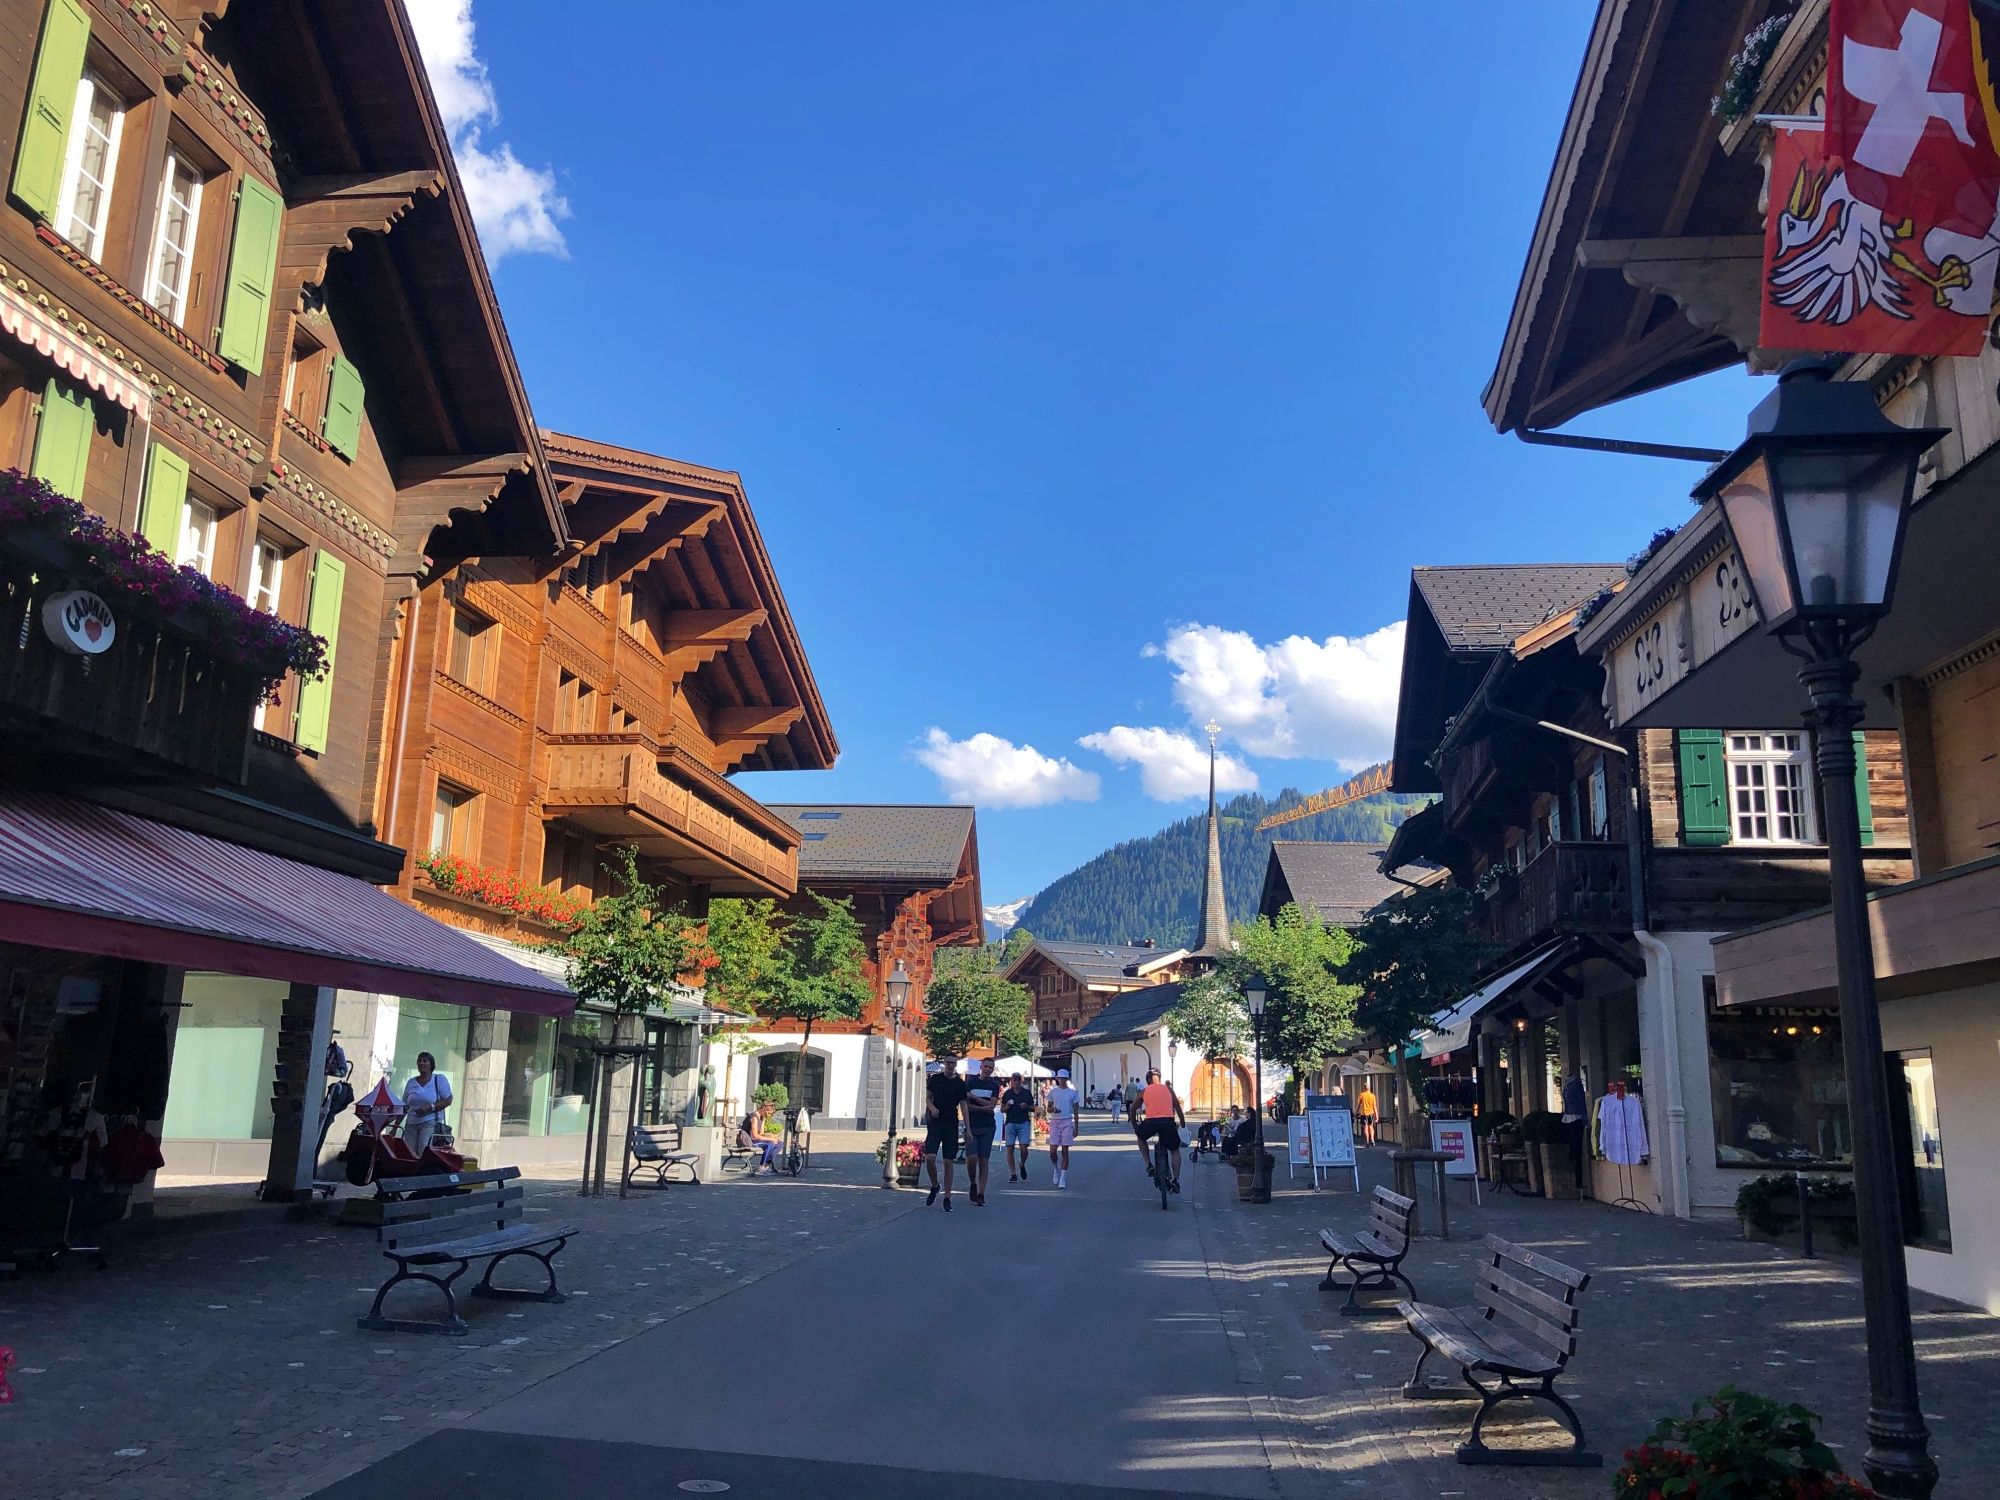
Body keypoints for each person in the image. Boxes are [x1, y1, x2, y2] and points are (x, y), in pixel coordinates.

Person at [923, 1055, 970, 1211]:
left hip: (951, 1124)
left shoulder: (960, 1084)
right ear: (944, 1064)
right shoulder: (936, 1079)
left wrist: (968, 1128)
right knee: (929, 1158)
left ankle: (947, 1197)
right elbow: (928, 1098)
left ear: (956, 1065)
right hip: (935, 1123)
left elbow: (964, 1106)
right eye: (948, 1063)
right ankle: (935, 1186)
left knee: (948, 1161)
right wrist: (931, 1107)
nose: (950, 1065)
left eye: (953, 1063)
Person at [1133, 1069, 1186, 1192]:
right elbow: (1177, 1106)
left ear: (1148, 1080)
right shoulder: (1168, 1089)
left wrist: (1135, 1124)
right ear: (1160, 1078)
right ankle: (1176, 1180)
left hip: (1151, 1123)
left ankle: (1149, 1165)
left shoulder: (1144, 1091)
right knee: (1174, 1150)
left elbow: (1133, 1108)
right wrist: (1182, 1123)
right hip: (1168, 1122)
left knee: (1140, 1138)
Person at [963, 1058, 1001, 1206]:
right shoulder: (971, 1083)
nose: (987, 1069)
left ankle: (981, 1193)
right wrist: (981, 1107)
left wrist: (974, 1097)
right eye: (985, 1066)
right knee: (972, 1158)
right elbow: (966, 1106)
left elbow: (991, 1105)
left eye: (990, 1067)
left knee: (984, 1159)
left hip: (988, 1126)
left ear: (993, 1069)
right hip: (972, 1124)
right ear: (981, 1067)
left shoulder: (994, 1085)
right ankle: (973, 1182)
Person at [400, 1051, 453, 1157]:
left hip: (430, 1122)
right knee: (409, 1152)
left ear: (431, 1064)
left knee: (424, 1150)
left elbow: (448, 1100)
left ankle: (423, 1173)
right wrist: (395, 1126)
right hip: (411, 1123)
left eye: (425, 1061)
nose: (421, 1063)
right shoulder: (411, 1082)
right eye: (419, 1061)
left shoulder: (439, 1079)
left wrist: (430, 1107)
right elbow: (404, 1106)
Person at [1044, 1067, 1080, 1188]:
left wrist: (1076, 1127)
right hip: (1055, 1121)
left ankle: (1063, 1178)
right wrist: (1052, 1109)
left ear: (1066, 1079)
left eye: (1063, 1079)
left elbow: (1075, 1111)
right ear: (1057, 1079)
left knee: (1065, 1150)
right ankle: (1056, 1168)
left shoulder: (1072, 1093)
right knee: (1052, 1151)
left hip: (1067, 1121)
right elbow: (1048, 1108)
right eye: (1059, 1078)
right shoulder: (1053, 1092)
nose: (1061, 1080)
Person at [1000, 1072, 1036, 1183]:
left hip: (1023, 1123)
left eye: (1018, 1079)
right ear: (1011, 1081)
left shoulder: (1026, 1093)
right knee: (1009, 1148)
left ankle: (1021, 1164)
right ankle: (1013, 1173)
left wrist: (1027, 1107)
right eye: (1014, 1079)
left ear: (1021, 1081)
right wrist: (1007, 1106)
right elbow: (1002, 1109)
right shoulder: (1007, 1094)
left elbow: (1033, 1108)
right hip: (1010, 1123)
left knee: (1024, 1149)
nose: (1016, 1082)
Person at [739, 1101, 783, 1172]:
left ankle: (767, 1165)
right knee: (770, 1144)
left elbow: (762, 1134)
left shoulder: (763, 1117)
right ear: (764, 1109)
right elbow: (755, 1136)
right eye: (768, 1113)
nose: (769, 1115)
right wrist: (770, 1140)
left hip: (756, 1140)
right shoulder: (754, 1117)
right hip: (750, 1141)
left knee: (779, 1144)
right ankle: (761, 1166)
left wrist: (771, 1136)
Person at [1355, 1083, 1379, 1148]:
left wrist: (1356, 1113)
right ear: (1369, 1088)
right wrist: (1377, 1116)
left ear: (1364, 1088)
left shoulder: (1361, 1095)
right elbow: (1375, 1106)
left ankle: (1367, 1142)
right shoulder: (1372, 1096)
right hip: (1371, 1113)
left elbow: (1358, 1105)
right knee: (1371, 1127)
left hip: (1364, 1113)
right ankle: (1372, 1140)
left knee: (1365, 1127)